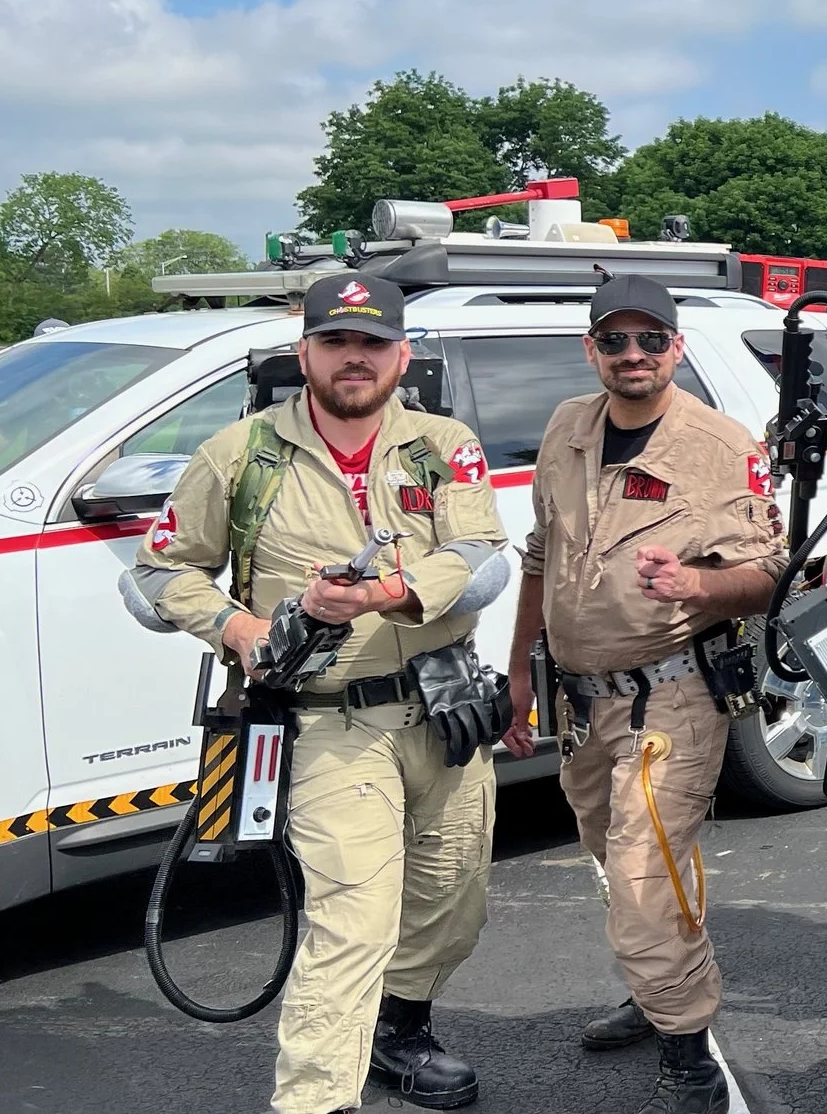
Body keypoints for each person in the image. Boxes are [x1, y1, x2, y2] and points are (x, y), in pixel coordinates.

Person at [127, 274, 510, 1114]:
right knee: (352, 923)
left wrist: (386, 593)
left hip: (445, 711)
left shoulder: (443, 444)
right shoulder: (240, 453)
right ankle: (316, 1099)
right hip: (331, 724)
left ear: (402, 357)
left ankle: (398, 1032)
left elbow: (484, 557)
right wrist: (241, 631)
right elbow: (156, 573)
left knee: (454, 899)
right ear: (304, 352)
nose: (355, 359)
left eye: (373, 344)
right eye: (336, 342)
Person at [499, 274, 788, 1114]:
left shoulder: (718, 444)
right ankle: (653, 980)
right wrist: (521, 671)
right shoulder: (566, 428)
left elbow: (770, 575)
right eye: (615, 340)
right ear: (591, 349)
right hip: (580, 701)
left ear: (677, 348)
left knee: (639, 871)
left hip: (670, 698)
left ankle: (690, 1050)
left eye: (649, 339)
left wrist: (696, 587)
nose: (633, 355)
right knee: (617, 858)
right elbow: (541, 558)